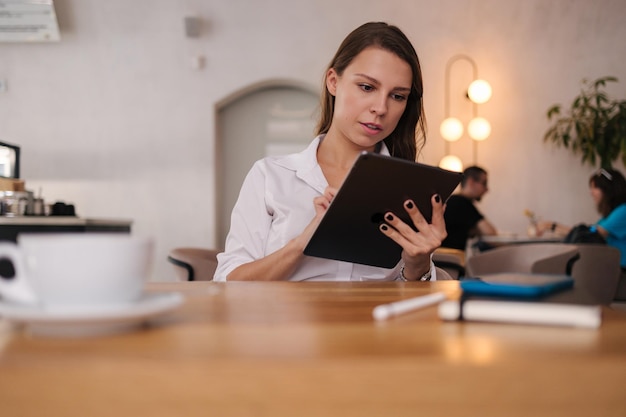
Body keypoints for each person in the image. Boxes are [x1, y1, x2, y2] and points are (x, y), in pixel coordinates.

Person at [214, 22, 448, 282]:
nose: (380, 108)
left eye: (397, 96)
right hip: (286, 322)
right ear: (334, 82)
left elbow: (414, 305)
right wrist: (304, 242)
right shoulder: (270, 176)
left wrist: (418, 265)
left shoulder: (409, 191)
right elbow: (228, 283)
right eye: (367, 87)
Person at [536, 168, 626, 266]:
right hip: (610, 268)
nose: (591, 192)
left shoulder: (623, 211)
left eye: (595, 187)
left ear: (608, 189)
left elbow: (592, 232)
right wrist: (551, 226)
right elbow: (587, 231)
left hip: (620, 271)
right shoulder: (609, 216)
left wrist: (552, 226)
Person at [441, 165, 497, 251]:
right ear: (471, 182)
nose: (487, 189)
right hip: (451, 259)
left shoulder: (453, 200)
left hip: (442, 256)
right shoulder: (462, 203)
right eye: (484, 183)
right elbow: (490, 233)